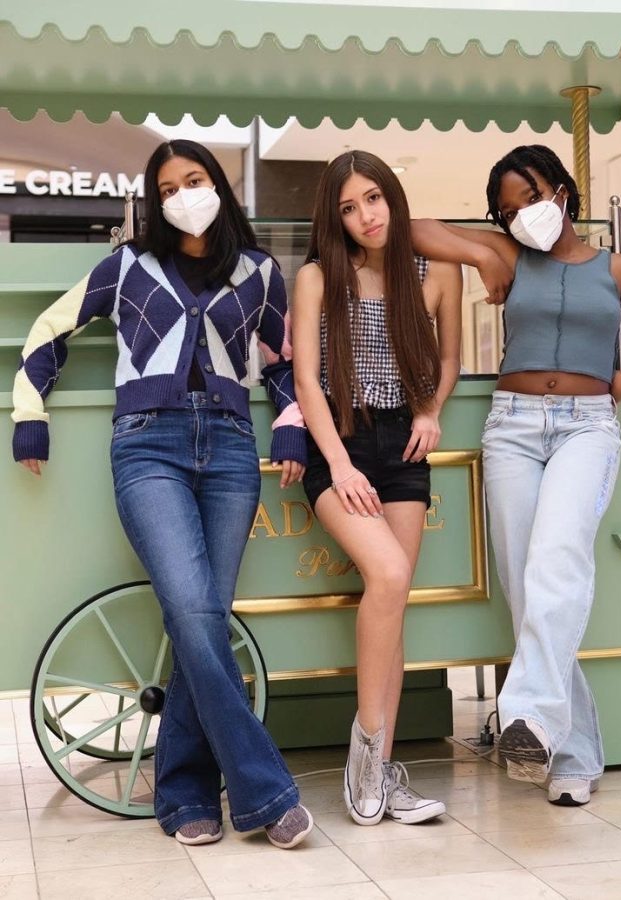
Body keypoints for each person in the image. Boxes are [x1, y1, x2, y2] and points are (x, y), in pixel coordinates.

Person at [11, 139, 314, 848]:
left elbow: (288, 363)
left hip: (234, 453)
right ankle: (264, 790)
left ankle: (183, 797)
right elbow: (50, 330)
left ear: (218, 186)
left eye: (196, 179)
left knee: (201, 621)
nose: (183, 193)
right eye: (169, 185)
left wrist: (292, 425)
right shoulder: (126, 267)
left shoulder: (260, 272)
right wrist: (30, 412)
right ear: (155, 198)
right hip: (148, 447)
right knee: (192, 607)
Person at [412, 144, 621, 807]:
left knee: (556, 562)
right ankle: (570, 759)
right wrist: (482, 252)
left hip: (587, 426)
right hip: (511, 426)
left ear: (563, 192)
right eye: (507, 210)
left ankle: (530, 718)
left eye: (531, 198)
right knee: (526, 587)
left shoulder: (615, 268)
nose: (521, 216)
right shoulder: (510, 254)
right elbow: (414, 224)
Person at [292, 150, 462, 825]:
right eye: (349, 206)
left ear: (393, 196)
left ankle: (384, 775)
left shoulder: (434, 268)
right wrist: (338, 463)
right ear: (335, 218)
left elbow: (449, 358)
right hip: (340, 442)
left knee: (393, 603)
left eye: (373, 198)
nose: (365, 215)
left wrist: (431, 408)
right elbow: (307, 381)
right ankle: (363, 762)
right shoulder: (315, 277)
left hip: (404, 443)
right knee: (388, 576)